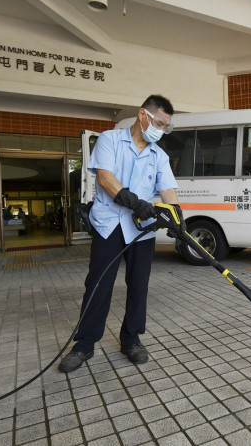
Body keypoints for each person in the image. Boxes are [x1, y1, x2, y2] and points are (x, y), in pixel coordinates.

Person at [59, 94, 182, 373]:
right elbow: (105, 178)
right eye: (159, 123)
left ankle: (132, 339)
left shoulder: (158, 155)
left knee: (139, 285)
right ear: (143, 115)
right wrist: (135, 202)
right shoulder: (109, 140)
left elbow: (168, 190)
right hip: (110, 224)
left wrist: (176, 215)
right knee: (99, 284)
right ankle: (85, 344)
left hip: (142, 232)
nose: (161, 130)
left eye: (166, 127)